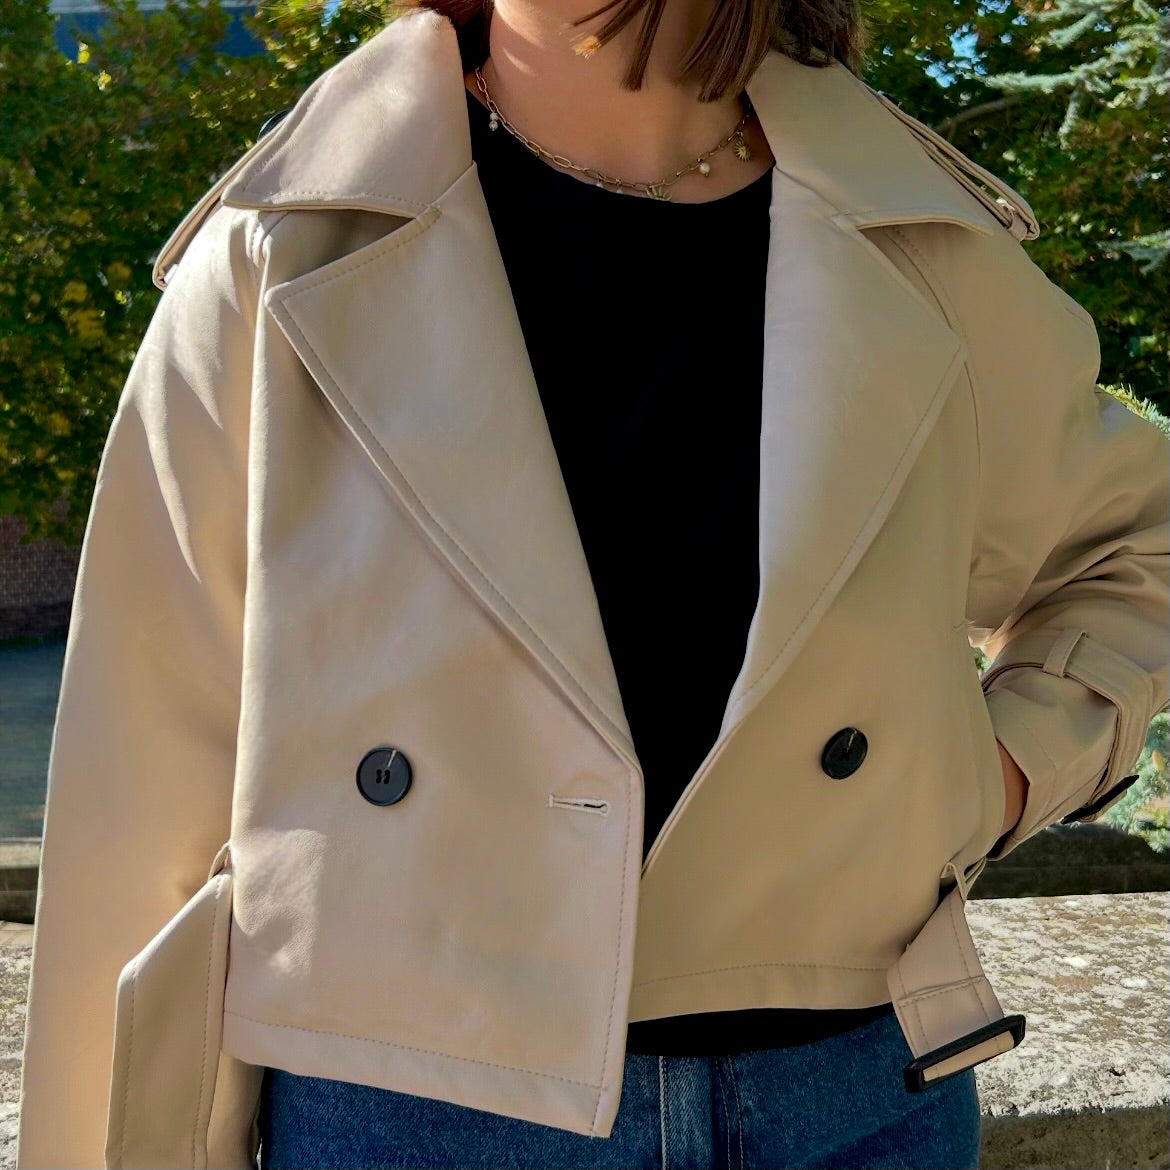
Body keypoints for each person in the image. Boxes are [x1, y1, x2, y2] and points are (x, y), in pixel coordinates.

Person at [16, 0, 1169, 1166]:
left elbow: (1135, 546)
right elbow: (140, 811)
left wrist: (996, 778)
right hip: (414, 1117)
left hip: (859, 1098)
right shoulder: (281, 252)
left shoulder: (921, 244)